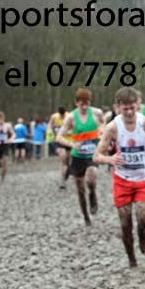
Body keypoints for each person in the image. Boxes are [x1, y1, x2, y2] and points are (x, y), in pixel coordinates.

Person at [93, 87, 145, 267]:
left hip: (143, 178)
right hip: (122, 179)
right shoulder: (113, 127)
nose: (128, 112)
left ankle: (142, 231)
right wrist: (110, 158)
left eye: (132, 108)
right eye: (124, 108)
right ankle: (131, 258)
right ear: (118, 107)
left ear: (138, 106)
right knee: (125, 223)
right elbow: (96, 156)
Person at [57, 89, 105, 225]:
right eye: (82, 103)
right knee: (80, 190)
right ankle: (86, 216)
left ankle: (93, 194)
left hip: (91, 154)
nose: (85, 106)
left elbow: (104, 124)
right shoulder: (71, 117)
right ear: (76, 103)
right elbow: (59, 136)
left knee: (92, 176)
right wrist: (72, 144)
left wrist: (101, 132)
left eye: (87, 103)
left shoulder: (97, 113)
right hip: (77, 156)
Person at [49, 107, 70, 189]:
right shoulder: (54, 117)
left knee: (69, 163)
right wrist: (52, 133)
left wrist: (68, 132)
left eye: (63, 115)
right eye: (61, 115)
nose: (62, 116)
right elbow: (50, 126)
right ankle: (63, 180)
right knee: (63, 160)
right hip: (60, 141)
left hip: (70, 141)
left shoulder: (70, 116)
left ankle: (67, 173)